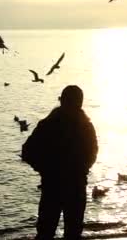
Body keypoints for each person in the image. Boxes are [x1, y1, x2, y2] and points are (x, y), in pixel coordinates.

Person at [21, 85, 98, 240]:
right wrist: (82, 169)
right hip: (75, 186)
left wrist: (43, 169)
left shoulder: (47, 125)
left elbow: (27, 151)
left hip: (52, 186)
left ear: (61, 100)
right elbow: (93, 153)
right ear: (80, 103)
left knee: (45, 232)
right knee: (73, 233)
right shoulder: (86, 127)